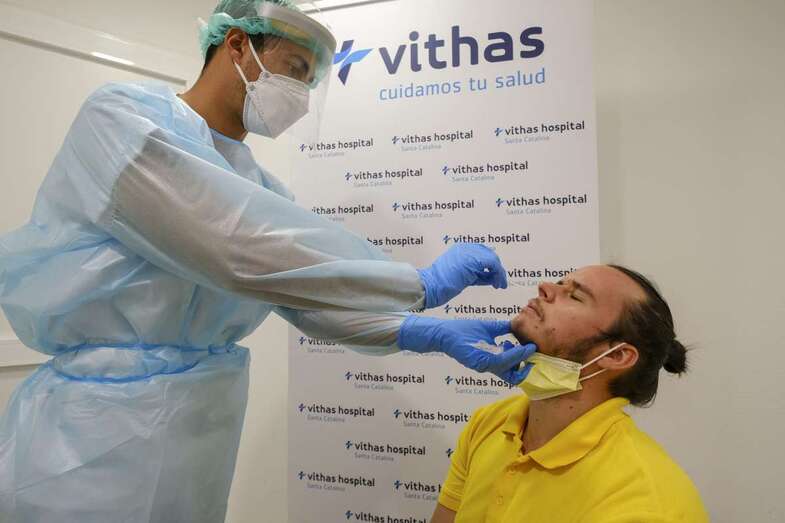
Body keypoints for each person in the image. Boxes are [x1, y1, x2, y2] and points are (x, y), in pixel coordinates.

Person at [0, 1, 533, 521]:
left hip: (202, 420)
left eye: (308, 82)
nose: (299, 95)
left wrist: (421, 333)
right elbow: (233, 247)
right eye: (294, 70)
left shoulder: (258, 187)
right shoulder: (122, 117)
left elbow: (299, 295)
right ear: (236, 44)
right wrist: (418, 283)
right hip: (94, 428)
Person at [430, 265, 710, 523]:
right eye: (561, 282)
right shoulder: (490, 423)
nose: (544, 287)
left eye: (575, 296)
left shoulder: (642, 504)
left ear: (618, 355)